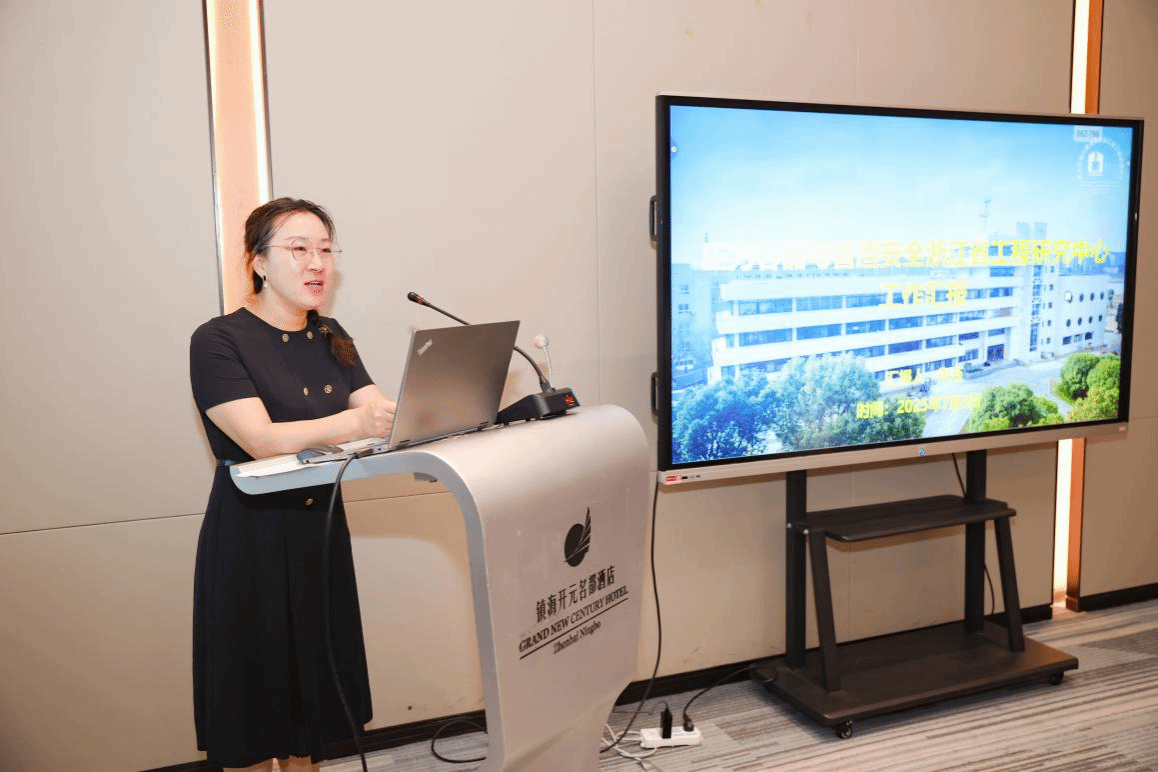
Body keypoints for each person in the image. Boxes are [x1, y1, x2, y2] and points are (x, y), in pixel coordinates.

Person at [189, 198, 396, 772]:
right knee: (253, 709)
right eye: (299, 249)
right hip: (250, 539)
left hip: (318, 531)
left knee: (314, 712)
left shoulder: (331, 333)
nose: (317, 263)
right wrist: (355, 423)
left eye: (326, 250)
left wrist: (421, 411)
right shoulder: (218, 340)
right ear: (258, 262)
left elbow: (378, 411)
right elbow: (259, 439)